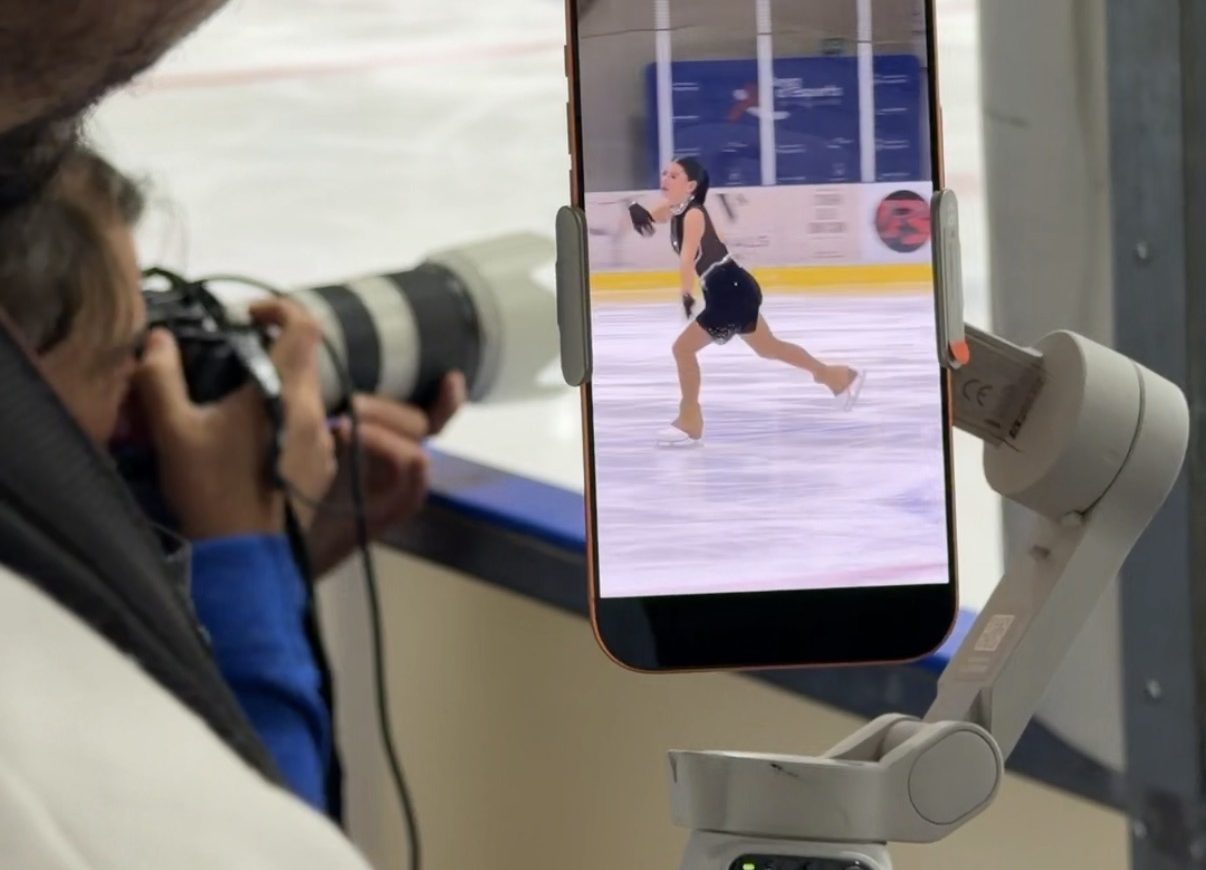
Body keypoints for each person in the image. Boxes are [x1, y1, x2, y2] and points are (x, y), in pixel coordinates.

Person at [627, 157, 865, 445]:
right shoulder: (678, 209)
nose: (665, 178)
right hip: (734, 287)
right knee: (769, 348)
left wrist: (686, 294)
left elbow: (688, 257)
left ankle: (690, 420)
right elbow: (661, 214)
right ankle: (837, 377)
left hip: (728, 290)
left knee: (683, 349)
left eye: (673, 176)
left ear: (690, 186)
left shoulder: (694, 215)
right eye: (664, 173)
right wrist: (642, 216)